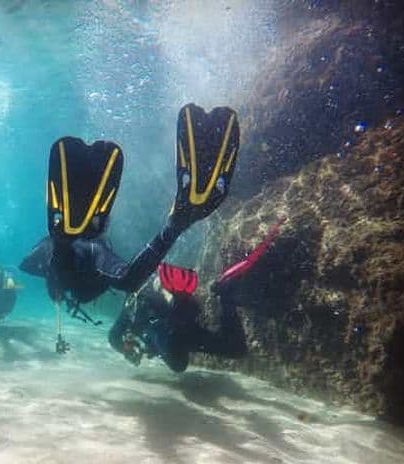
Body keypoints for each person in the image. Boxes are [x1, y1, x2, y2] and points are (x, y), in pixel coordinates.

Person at [19, 103, 240, 350]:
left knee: (66, 261)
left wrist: (52, 274)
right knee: (118, 279)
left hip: (61, 252)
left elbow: (26, 264)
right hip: (72, 255)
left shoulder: (70, 249)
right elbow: (127, 279)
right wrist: (174, 227)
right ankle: (173, 225)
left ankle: (64, 239)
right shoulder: (96, 249)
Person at [108, 218, 285, 371]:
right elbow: (114, 337)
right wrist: (128, 348)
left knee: (179, 363)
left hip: (174, 330)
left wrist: (128, 350)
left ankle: (224, 294)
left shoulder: (132, 305)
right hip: (184, 328)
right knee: (235, 349)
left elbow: (114, 336)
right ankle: (225, 294)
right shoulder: (137, 300)